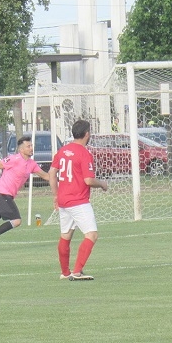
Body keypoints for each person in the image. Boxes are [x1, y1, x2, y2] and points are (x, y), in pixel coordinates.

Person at [49, 119, 108, 280]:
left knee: (66, 235)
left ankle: (65, 272)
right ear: (87, 134)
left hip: (64, 201)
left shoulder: (63, 151)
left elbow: (52, 173)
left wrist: (56, 194)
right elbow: (88, 180)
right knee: (92, 235)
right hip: (78, 201)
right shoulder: (84, 153)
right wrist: (102, 184)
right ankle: (76, 272)